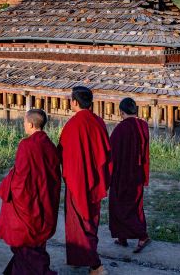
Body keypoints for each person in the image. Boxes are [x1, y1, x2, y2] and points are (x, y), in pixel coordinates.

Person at [0, 109, 61, 275]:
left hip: (28, 202)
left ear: (31, 124)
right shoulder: (50, 144)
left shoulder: (26, 145)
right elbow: (53, 176)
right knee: (35, 241)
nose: (23, 125)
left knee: (22, 238)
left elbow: (21, 178)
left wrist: (8, 185)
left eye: (24, 122)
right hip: (45, 199)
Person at [58, 86, 112, 275]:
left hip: (76, 182)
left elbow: (62, 153)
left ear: (74, 102)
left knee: (79, 223)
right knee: (91, 221)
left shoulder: (73, 125)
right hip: (95, 181)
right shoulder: (98, 122)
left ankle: (96, 265)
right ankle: (78, 257)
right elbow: (105, 152)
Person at [108, 97, 150, 253]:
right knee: (135, 205)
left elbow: (111, 152)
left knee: (120, 205)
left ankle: (142, 236)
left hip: (122, 174)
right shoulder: (143, 126)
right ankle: (122, 237)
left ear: (121, 112)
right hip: (138, 173)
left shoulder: (121, 129)